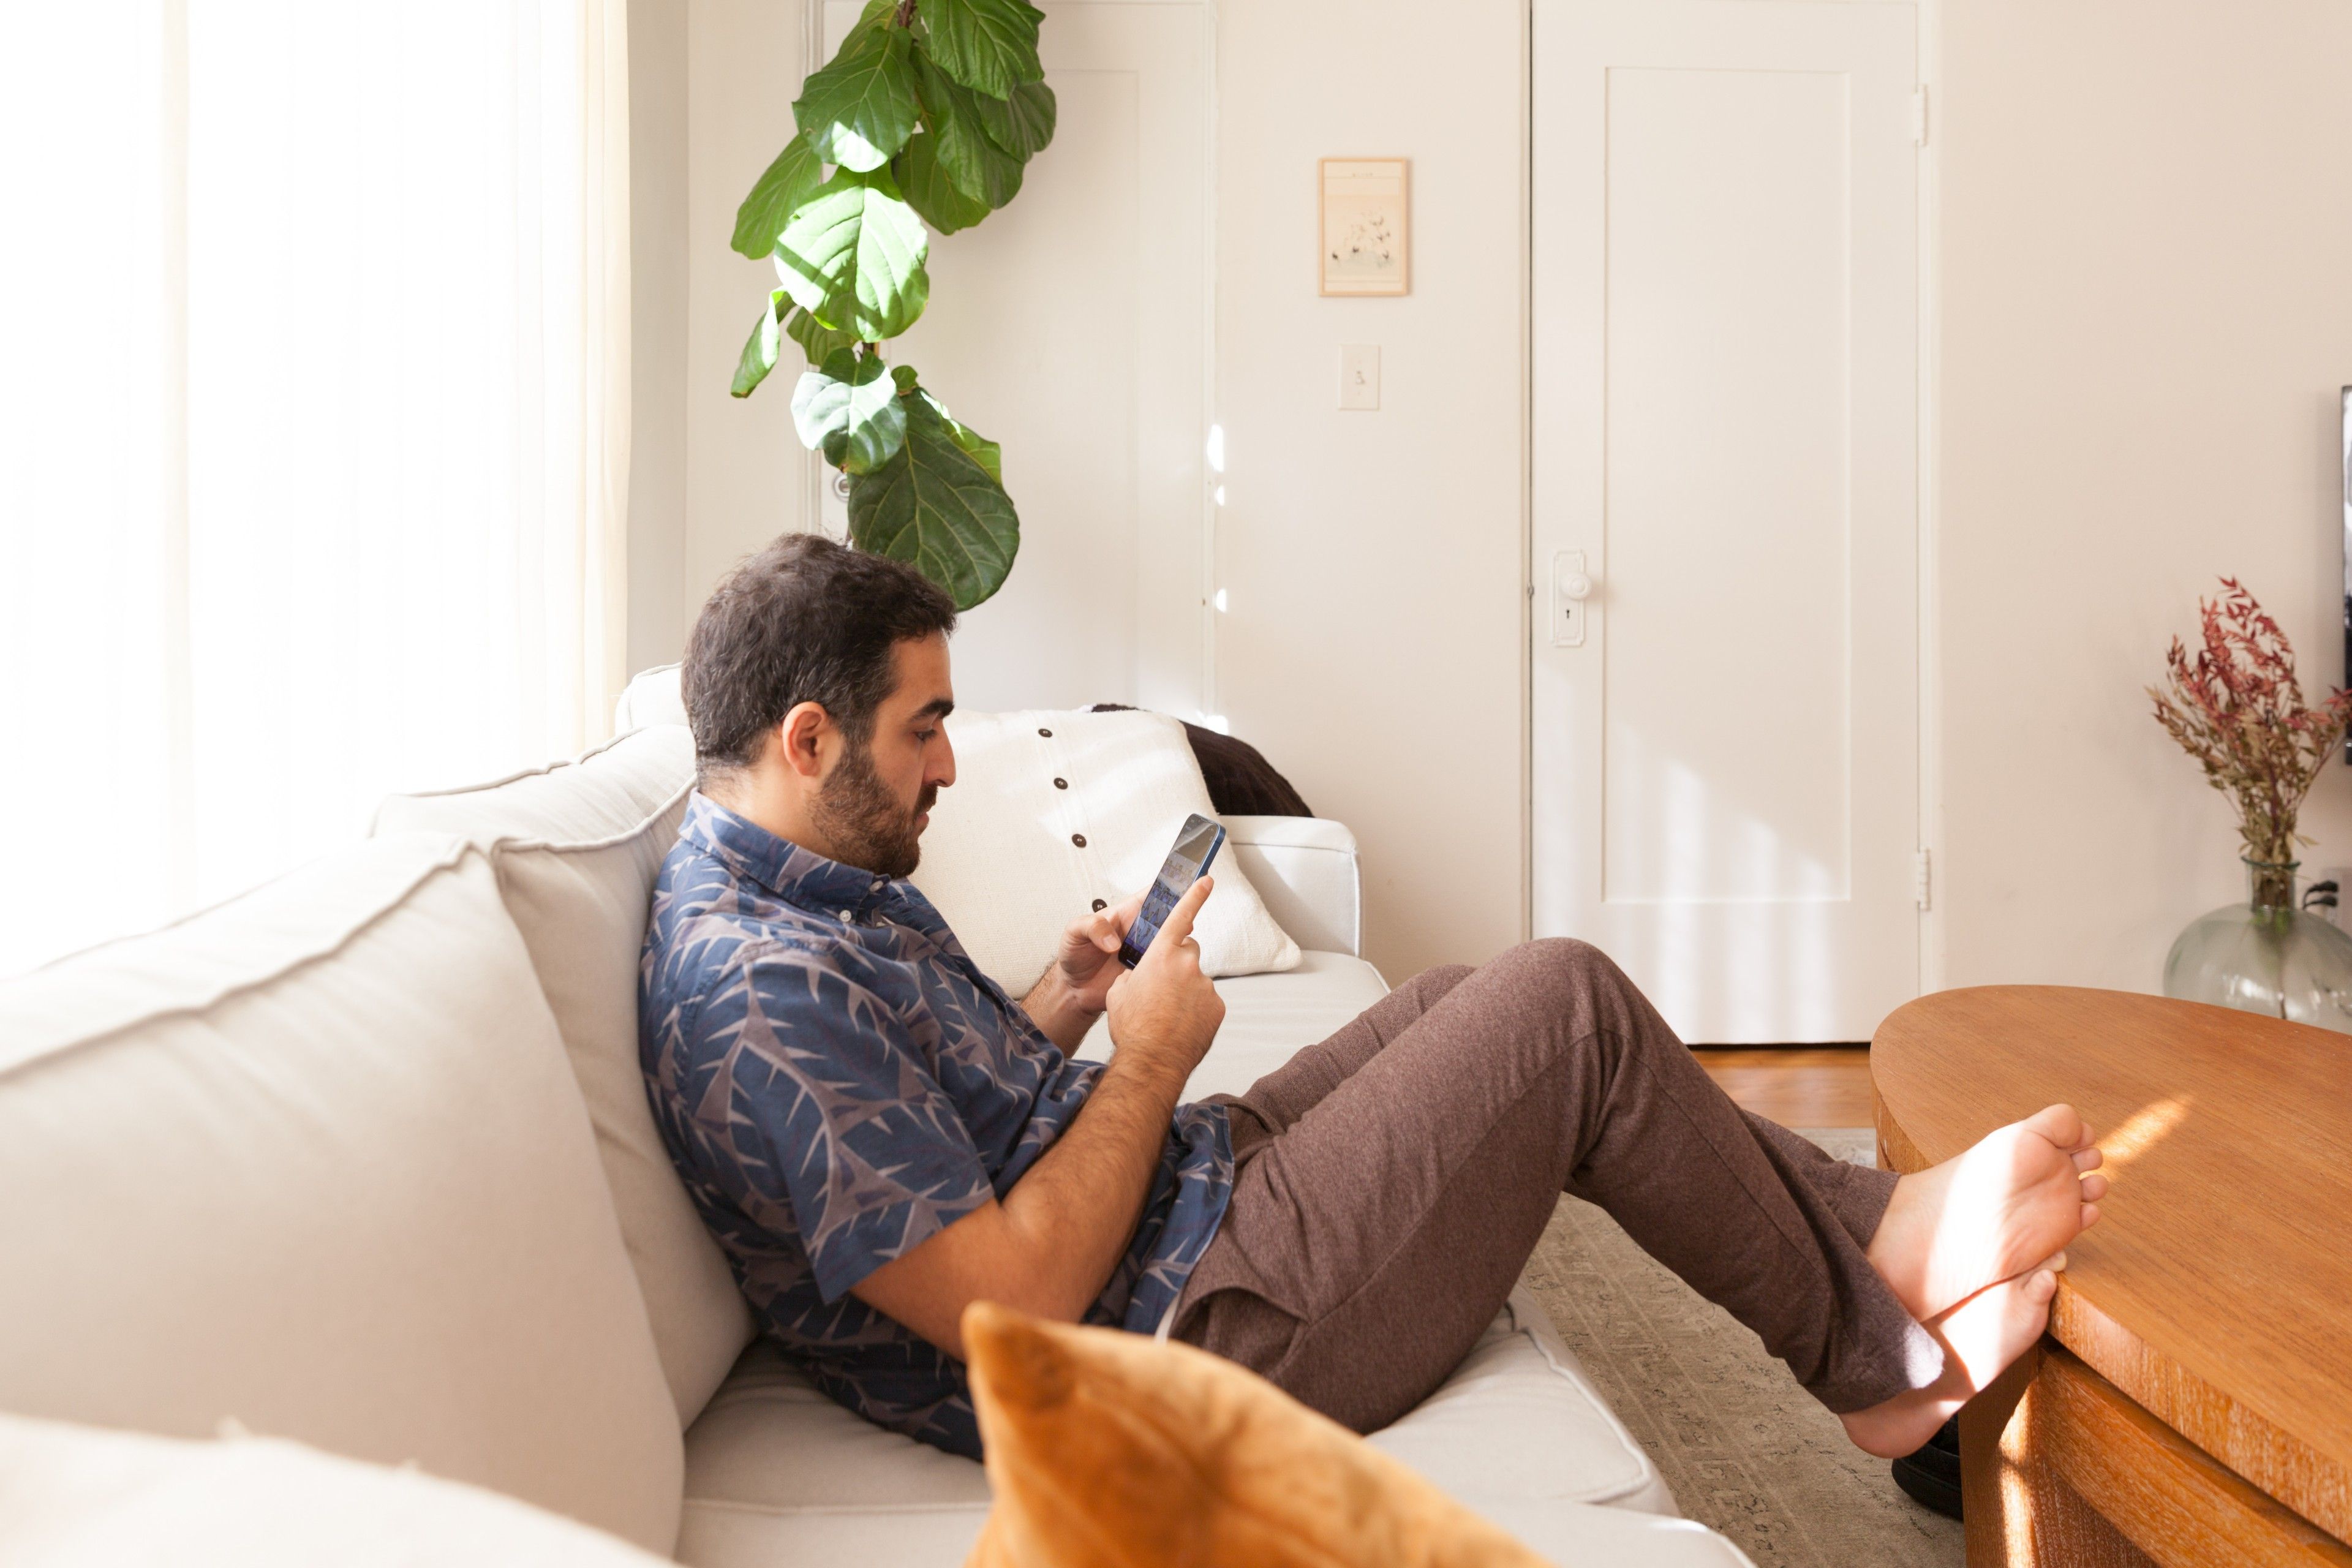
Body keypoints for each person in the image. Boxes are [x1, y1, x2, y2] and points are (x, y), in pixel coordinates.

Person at [640, 535, 2105, 1461]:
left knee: (1465, 999)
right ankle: (1871, 1356)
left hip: (1175, 1224)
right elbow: (1005, 1300)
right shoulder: (762, 988)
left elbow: (923, 1137)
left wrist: (1067, 1007)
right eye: (927, 728)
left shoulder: (803, 884)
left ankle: (1875, 1237)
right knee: (1560, 1007)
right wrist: (1149, 1061)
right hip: (1179, 1344)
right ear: (807, 733)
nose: (950, 765)